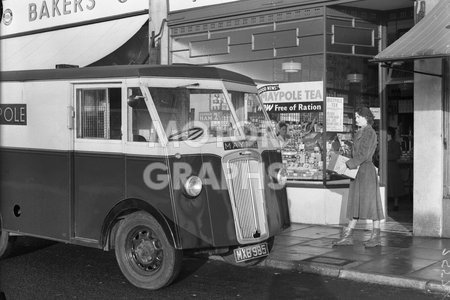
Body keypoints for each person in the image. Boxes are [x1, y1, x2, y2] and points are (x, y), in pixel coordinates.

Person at [333, 106, 384, 248]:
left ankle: (376, 237)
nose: (356, 120)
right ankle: (348, 236)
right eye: (355, 117)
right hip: (357, 171)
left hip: (365, 171)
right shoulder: (360, 132)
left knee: (372, 205)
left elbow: (364, 155)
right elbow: (357, 154)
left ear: (366, 117)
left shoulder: (369, 132)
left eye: (358, 117)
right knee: (355, 204)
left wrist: (347, 164)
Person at [387, 127, 403, 211]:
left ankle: (396, 203)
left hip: (392, 167)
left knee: (394, 186)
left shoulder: (395, 144)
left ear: (389, 134)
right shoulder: (383, 144)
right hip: (385, 166)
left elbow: (397, 155)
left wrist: (385, 156)